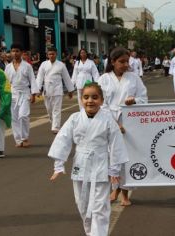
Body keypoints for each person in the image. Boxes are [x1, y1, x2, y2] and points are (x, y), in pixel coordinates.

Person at [49, 81, 129, 236]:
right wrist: (58, 165)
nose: (90, 100)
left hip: (100, 163)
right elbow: (63, 140)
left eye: (94, 97)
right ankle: (90, 232)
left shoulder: (107, 120)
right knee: (83, 205)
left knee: (100, 207)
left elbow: (115, 144)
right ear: (81, 99)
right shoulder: (74, 118)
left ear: (101, 100)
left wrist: (114, 169)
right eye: (86, 97)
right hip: (81, 163)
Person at [98, 47, 148, 206]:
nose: (125, 64)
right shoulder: (104, 79)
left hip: (129, 122)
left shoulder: (134, 78)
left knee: (127, 158)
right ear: (112, 62)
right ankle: (115, 188)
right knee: (112, 157)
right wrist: (113, 124)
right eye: (121, 61)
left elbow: (144, 98)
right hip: (109, 120)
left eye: (127, 61)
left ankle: (125, 192)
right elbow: (100, 103)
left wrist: (134, 101)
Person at [5, 43, 40, 147]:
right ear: (10, 52)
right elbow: (6, 83)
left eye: (17, 51)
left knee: (23, 115)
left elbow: (32, 80)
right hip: (12, 93)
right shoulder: (8, 67)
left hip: (24, 93)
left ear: (21, 52)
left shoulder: (27, 66)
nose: (15, 53)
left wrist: (33, 94)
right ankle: (18, 140)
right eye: (13, 51)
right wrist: (4, 95)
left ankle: (24, 138)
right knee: (14, 118)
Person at [36, 47, 75, 134]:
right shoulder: (44, 64)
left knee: (56, 109)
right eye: (50, 54)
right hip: (47, 90)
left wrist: (70, 90)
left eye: (53, 54)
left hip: (57, 90)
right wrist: (37, 89)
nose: (51, 56)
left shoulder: (61, 65)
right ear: (47, 55)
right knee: (49, 110)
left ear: (56, 54)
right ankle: (53, 122)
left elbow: (66, 78)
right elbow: (39, 77)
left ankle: (56, 127)